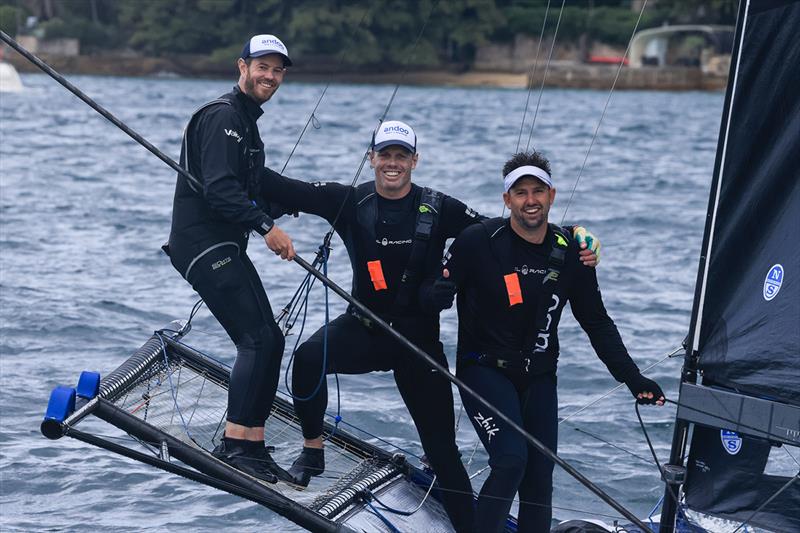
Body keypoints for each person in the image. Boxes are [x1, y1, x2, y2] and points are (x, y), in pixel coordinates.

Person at [259, 121, 599, 531]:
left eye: (401, 156)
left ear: (414, 162)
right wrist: (235, 159)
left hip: (418, 346)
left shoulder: (440, 208)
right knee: (307, 358)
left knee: (443, 453)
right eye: (384, 155)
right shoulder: (348, 200)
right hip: (363, 331)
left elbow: (509, 228)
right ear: (371, 159)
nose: (392, 163)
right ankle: (313, 450)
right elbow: (283, 187)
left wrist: (573, 232)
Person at [439, 150, 665, 532]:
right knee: (511, 460)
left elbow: (597, 323)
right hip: (483, 371)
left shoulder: (572, 251)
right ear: (507, 199)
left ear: (552, 195)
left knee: (539, 482)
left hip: (540, 377)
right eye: (521, 192)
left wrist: (633, 378)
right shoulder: (477, 242)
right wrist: (435, 294)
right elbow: (434, 292)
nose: (531, 200)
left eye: (538, 191)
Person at [165, 34, 297, 484]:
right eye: (263, 66)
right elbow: (220, 190)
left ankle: (251, 445)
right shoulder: (223, 117)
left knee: (270, 340)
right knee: (258, 339)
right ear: (242, 66)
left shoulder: (245, 121)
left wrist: (302, 202)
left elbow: (249, 185)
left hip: (220, 243)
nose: (271, 77)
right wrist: (266, 227)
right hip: (202, 243)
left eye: (278, 70)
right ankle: (236, 445)